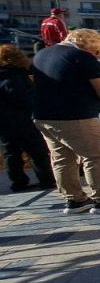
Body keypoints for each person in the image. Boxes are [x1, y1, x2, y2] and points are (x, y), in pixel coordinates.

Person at [32, 29, 100, 214]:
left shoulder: (42, 54)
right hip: (76, 115)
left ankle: (74, 200)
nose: (96, 55)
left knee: (62, 159)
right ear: (90, 44)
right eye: (96, 51)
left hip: (44, 115)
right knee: (95, 154)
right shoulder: (81, 56)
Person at [0, 45, 55, 192]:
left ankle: (18, 182)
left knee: (11, 154)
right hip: (23, 120)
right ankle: (46, 179)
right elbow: (23, 98)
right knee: (37, 151)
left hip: (4, 123)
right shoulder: (14, 74)